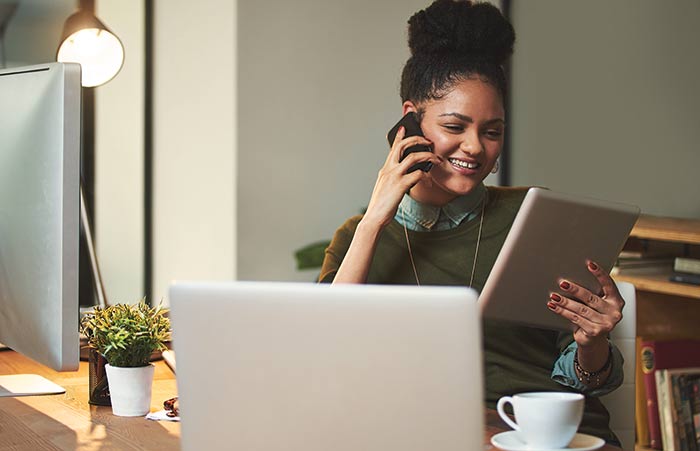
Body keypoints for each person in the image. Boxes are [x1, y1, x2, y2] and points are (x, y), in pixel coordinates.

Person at [318, 0, 625, 445]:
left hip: (548, 435)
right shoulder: (357, 236)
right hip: (431, 432)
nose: (475, 147)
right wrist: (374, 220)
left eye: (492, 131)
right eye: (455, 126)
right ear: (411, 120)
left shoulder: (534, 217)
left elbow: (587, 378)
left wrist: (592, 341)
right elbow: (324, 350)